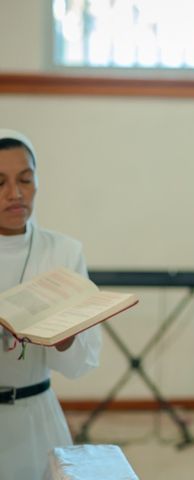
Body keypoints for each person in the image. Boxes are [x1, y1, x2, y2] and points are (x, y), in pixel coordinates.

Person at [0, 129, 102, 480]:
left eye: (25, 180)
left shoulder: (62, 252)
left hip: (35, 418)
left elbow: (83, 361)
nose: (15, 194)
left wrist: (67, 338)